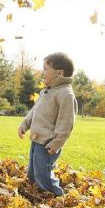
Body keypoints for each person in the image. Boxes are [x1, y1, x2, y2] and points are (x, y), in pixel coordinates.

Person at [18, 52, 78, 196]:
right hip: (36, 139)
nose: (42, 72)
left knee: (43, 175)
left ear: (59, 73)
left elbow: (66, 122)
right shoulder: (46, 91)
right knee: (32, 172)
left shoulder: (65, 94)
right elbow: (34, 111)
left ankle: (56, 196)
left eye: (45, 69)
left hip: (48, 144)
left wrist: (57, 143)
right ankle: (35, 193)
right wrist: (24, 124)